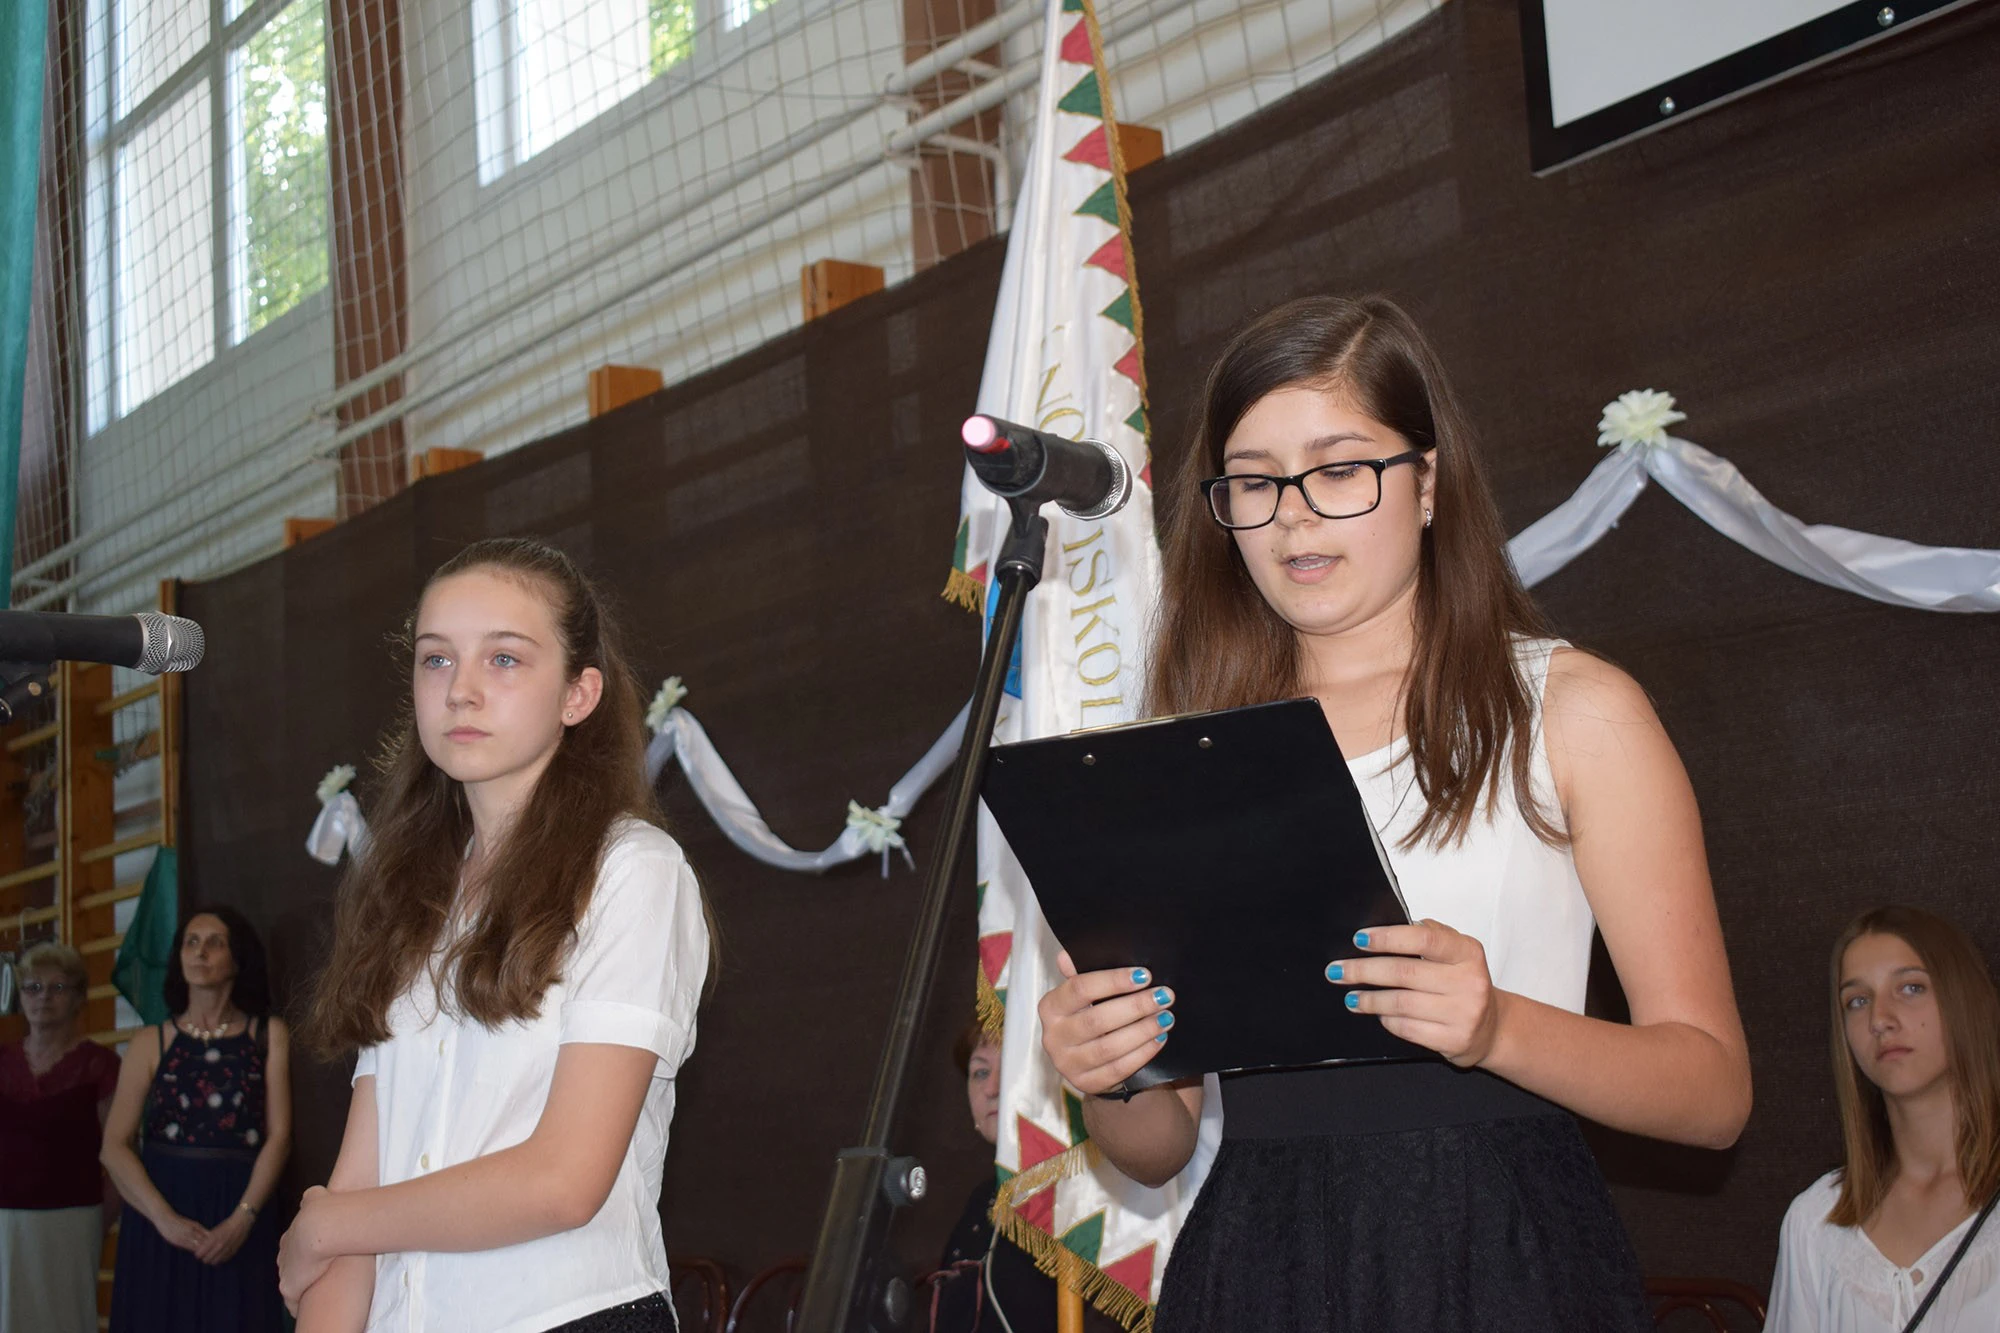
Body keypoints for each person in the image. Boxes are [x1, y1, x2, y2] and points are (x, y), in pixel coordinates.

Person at [1035, 294, 1753, 1332]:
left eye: (1338, 470)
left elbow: (1713, 1091)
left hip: (1499, 1249)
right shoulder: (1189, 759)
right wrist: (1109, 1069)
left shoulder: (1569, 709)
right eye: (1254, 481)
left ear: (1427, 483)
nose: (1292, 515)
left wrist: (1497, 1025)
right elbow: (1157, 1147)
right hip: (1256, 1259)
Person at [282, 537, 714, 1333]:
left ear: (579, 693)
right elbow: (361, 1176)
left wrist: (328, 1224)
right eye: (436, 659)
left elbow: (563, 1181)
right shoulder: (406, 893)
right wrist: (336, 1233)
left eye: (505, 658)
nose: (461, 690)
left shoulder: (633, 870)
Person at [1767, 906, 2000, 1331]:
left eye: (1911, 988)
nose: (1879, 1020)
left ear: (1966, 999)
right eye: (1857, 1001)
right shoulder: (1816, 1221)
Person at [102, 905, 291, 1332]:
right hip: (160, 1214)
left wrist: (242, 1219)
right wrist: (164, 1219)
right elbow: (114, 1147)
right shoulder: (150, 1041)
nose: (200, 952)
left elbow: (279, 1138)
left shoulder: (268, 1035)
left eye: (214, 943)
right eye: (191, 942)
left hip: (239, 1212)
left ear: (237, 959)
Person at [932, 1019, 1120, 1333]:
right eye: (980, 1072)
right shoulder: (982, 1199)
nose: (992, 1089)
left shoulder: (1091, 1192)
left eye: (1011, 1067)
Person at [0, 941, 121, 1332]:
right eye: (33, 987)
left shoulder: (100, 1065)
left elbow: (121, 1154)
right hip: (4, 1220)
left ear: (79, 997)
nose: (43, 997)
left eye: (57, 987)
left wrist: (97, 1221)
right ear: (19, 996)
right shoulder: (2, 1061)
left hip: (74, 1219)